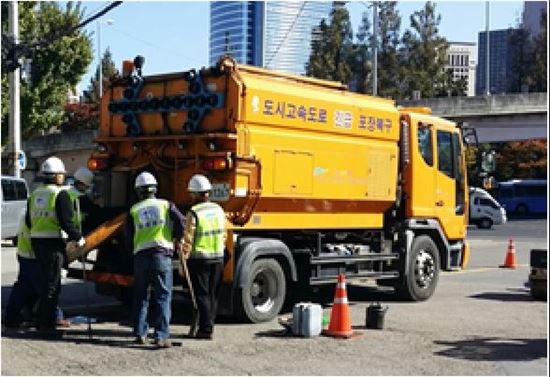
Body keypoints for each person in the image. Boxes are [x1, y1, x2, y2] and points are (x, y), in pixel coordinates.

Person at [125, 171, 184, 348]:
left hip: (141, 257)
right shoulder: (166, 205)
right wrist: (177, 238)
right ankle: (161, 336)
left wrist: (132, 252)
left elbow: (128, 236)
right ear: (155, 189)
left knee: (141, 296)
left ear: (138, 191)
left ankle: (140, 333)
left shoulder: (134, 210)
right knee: (163, 296)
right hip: (161, 255)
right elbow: (182, 221)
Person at [27, 156, 84, 337]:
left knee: (45, 283)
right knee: (53, 285)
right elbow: (66, 220)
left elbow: (29, 220)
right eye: (62, 174)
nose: (63, 177)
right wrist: (78, 238)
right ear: (57, 176)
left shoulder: (35, 193)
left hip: (36, 242)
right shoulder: (60, 194)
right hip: (52, 242)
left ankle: (40, 319)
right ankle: (46, 323)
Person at [180, 174, 226, 340]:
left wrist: (182, 262)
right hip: (218, 257)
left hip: (200, 259)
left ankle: (206, 329)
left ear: (195, 194)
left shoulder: (194, 212)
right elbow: (224, 235)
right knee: (213, 295)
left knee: (202, 295)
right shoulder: (219, 210)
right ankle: (209, 324)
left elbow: (188, 239)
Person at [4, 219, 70, 329]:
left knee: (23, 287)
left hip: (24, 253)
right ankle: (55, 316)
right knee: (46, 287)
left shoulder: (30, 211)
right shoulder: (42, 218)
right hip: (34, 255)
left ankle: (11, 316)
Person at [67, 167, 102, 234]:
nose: (87, 189)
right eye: (87, 186)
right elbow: (95, 211)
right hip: (79, 229)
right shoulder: (80, 197)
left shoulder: (67, 192)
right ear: (81, 184)